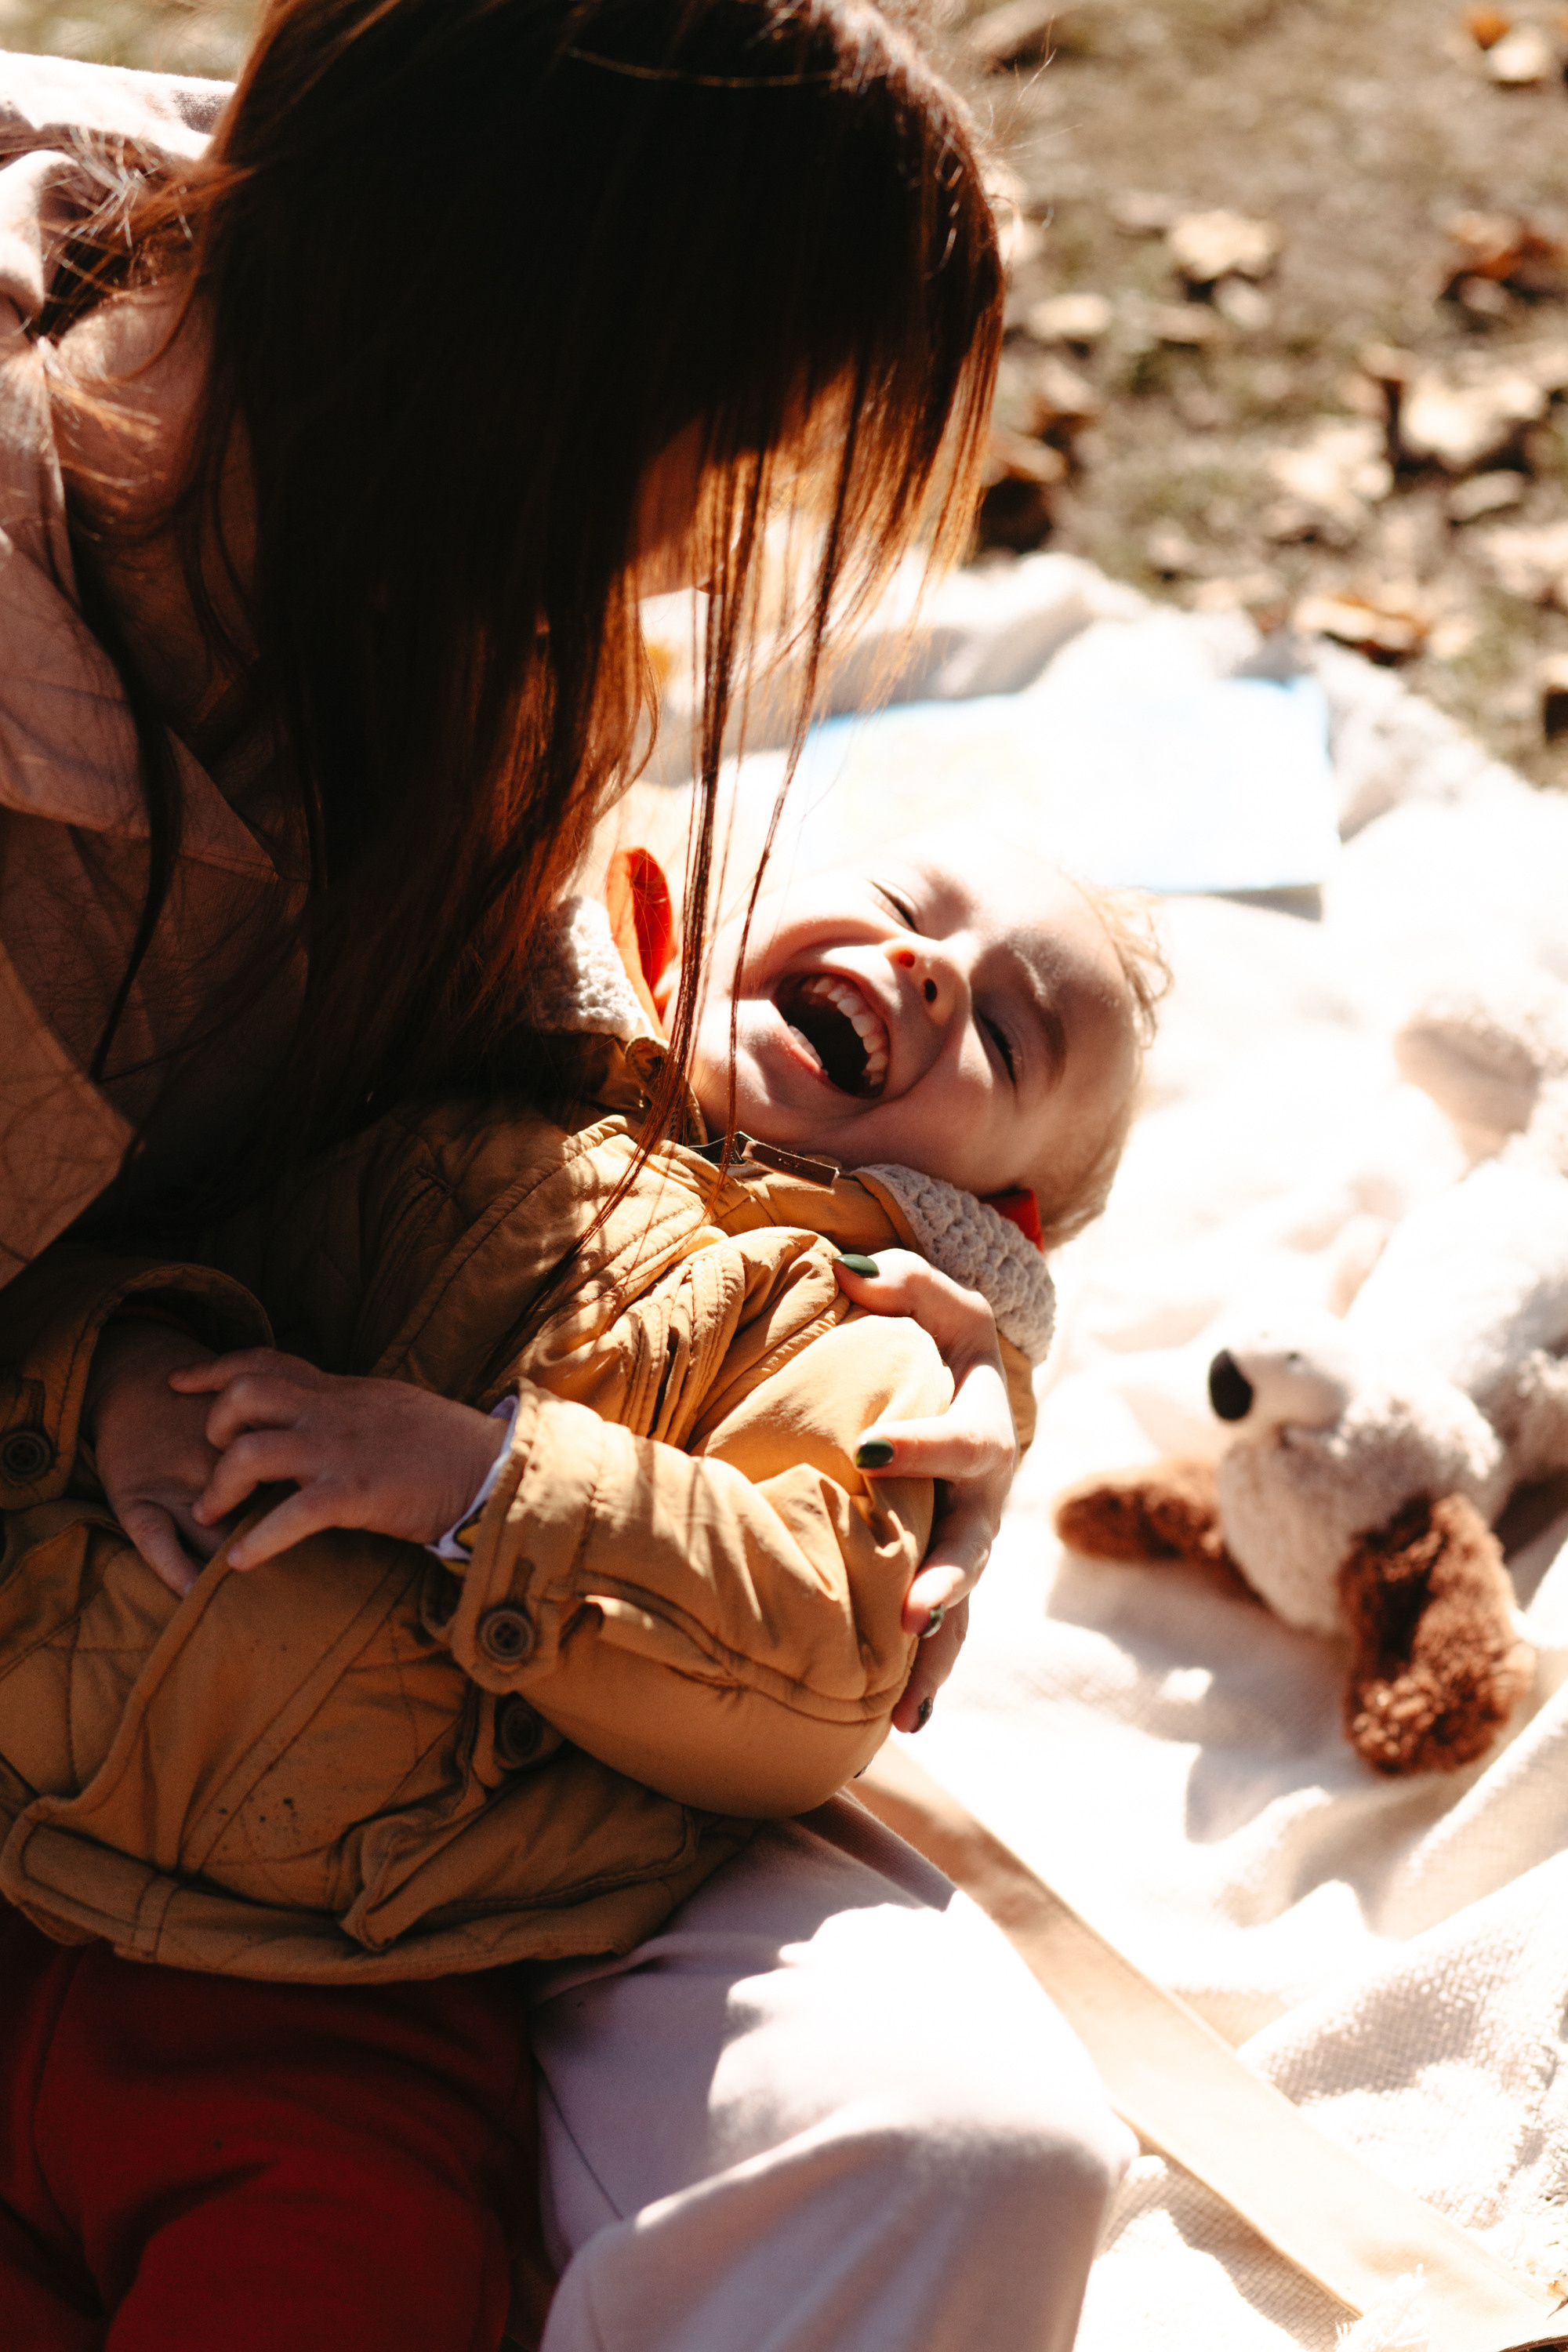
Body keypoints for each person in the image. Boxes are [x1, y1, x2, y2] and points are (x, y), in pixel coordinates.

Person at [0, 5, 1120, 2346]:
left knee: (964, 2158)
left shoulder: (435, 583)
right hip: (75, 1693)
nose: (708, 563)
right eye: (715, 459)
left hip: (433, 1842)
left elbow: (535, 1086)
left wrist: (907, 1331)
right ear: (536, 378)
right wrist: (114, 1374)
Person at [1, 824, 1159, 2347]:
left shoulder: (857, 1340)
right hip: (31, 1792)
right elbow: (106, 1245)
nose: (932, 972)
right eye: (900, 903)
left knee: (338, 2276)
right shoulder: (455, 1094)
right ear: (697, 890)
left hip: (340, 1977)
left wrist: (485, 1485)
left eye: (1007, 1037)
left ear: (989, 1218)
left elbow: (815, 1659)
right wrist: (118, 1369)